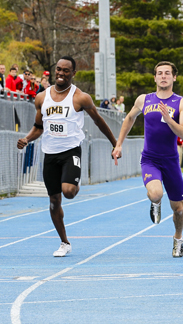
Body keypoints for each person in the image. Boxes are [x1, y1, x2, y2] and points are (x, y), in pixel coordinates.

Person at [16, 56, 119, 257]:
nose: (61, 73)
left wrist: (116, 144)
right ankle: (64, 242)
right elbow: (38, 128)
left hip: (71, 150)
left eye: (66, 71)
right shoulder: (41, 98)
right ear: (55, 71)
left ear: (73, 74)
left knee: (69, 191)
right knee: (54, 201)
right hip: (50, 153)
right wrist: (27, 139)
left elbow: (99, 122)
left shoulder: (80, 98)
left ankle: (74, 180)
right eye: (59, 69)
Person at [112, 61, 183, 258]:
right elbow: (129, 118)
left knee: (178, 209)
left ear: (174, 77)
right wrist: (119, 143)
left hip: (171, 161)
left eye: (167, 73)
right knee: (156, 193)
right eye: (160, 73)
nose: (163, 76)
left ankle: (178, 239)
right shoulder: (144, 100)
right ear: (154, 77)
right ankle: (155, 202)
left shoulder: (182, 102)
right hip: (150, 159)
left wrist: (170, 119)